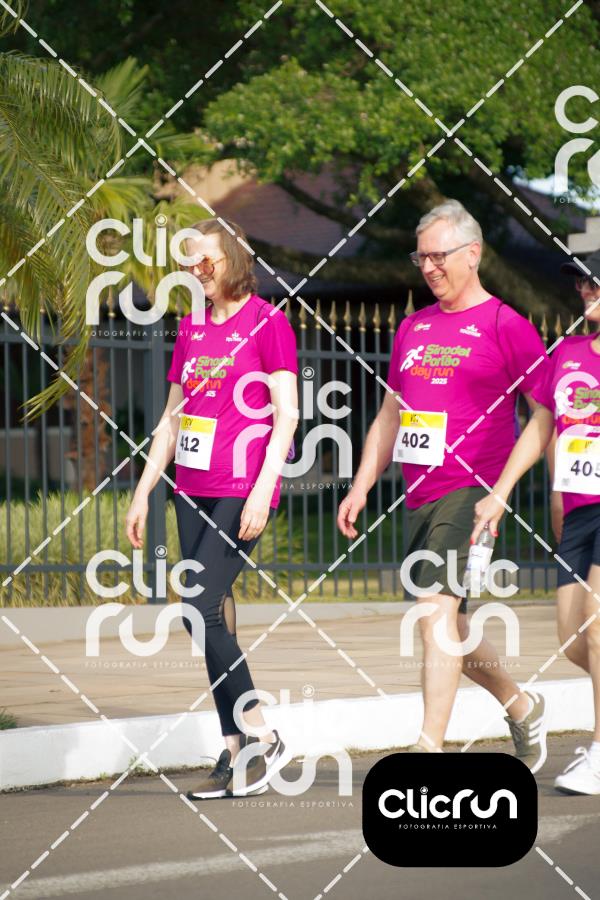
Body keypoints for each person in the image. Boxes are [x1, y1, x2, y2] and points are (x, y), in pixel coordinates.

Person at [337, 199, 549, 770]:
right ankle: (521, 705)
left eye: (438, 256)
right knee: (449, 621)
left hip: (473, 491)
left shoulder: (507, 325)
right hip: (421, 494)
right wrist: (361, 485)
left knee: (434, 612)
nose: (428, 267)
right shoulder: (414, 327)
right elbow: (391, 413)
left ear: (472, 254)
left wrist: (502, 491)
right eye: (421, 258)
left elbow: (543, 415)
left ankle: (429, 747)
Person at [125, 217, 299, 798]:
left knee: (197, 606)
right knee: (208, 613)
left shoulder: (268, 323)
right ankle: (234, 749)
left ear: (234, 259)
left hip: (240, 485)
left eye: (207, 260)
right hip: (191, 488)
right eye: (190, 262)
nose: (197, 270)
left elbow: (288, 415)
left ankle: (263, 736)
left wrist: (263, 489)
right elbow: (172, 419)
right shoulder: (192, 326)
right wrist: (144, 490)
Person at [472, 250, 600, 794]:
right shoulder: (567, 353)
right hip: (580, 511)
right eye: (582, 283)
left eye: (595, 283)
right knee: (573, 640)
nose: (585, 290)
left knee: (597, 627)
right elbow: (542, 424)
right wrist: (499, 493)